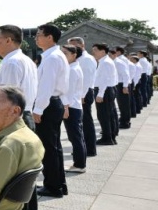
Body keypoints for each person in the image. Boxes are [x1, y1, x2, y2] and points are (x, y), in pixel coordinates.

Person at [33, 24, 69, 199]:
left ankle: (53, 186)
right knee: (54, 147)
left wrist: (38, 109)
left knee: (49, 148)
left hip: (48, 104)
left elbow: (46, 86)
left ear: (50, 38)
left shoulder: (53, 57)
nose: (36, 38)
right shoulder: (53, 55)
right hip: (53, 103)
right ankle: (58, 184)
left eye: (39, 35)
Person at [0, 25, 38, 129]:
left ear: (8, 40)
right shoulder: (26, 60)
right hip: (24, 115)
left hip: (13, 119)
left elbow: (7, 98)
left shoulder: (12, 63)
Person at [61, 45, 87, 173]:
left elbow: (68, 92)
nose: (63, 56)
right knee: (77, 136)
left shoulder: (72, 70)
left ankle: (79, 164)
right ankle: (80, 163)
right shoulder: (74, 67)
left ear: (74, 55)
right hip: (74, 106)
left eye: (65, 53)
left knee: (75, 137)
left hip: (71, 107)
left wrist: (65, 107)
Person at [92, 43, 118, 146]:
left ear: (102, 51)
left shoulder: (105, 62)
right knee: (107, 115)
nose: (93, 52)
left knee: (104, 115)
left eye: (95, 50)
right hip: (106, 90)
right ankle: (110, 136)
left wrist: (100, 94)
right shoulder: (104, 61)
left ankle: (107, 138)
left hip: (105, 90)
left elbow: (105, 80)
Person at [111, 47, 132, 129]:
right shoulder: (117, 61)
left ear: (117, 53)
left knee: (124, 104)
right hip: (120, 84)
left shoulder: (119, 61)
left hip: (122, 84)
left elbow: (126, 74)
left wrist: (125, 86)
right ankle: (123, 120)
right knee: (121, 104)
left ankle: (125, 122)